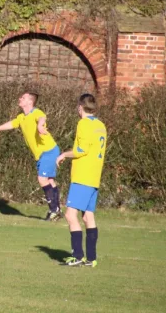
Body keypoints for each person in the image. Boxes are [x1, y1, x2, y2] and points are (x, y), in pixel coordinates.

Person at [0, 92, 62, 221]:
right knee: (49, 180)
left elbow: (42, 118)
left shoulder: (36, 113)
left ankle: (54, 210)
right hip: (41, 154)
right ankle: (56, 210)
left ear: (30, 102)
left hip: (49, 150)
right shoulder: (21, 117)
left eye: (23, 98)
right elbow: (12, 123)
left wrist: (40, 125)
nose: (20, 99)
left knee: (42, 179)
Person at [56, 93, 107, 267]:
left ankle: (78, 256)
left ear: (80, 107)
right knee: (88, 217)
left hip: (83, 176)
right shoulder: (100, 125)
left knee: (70, 214)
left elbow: (81, 150)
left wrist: (64, 154)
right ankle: (91, 259)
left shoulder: (83, 123)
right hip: (94, 176)